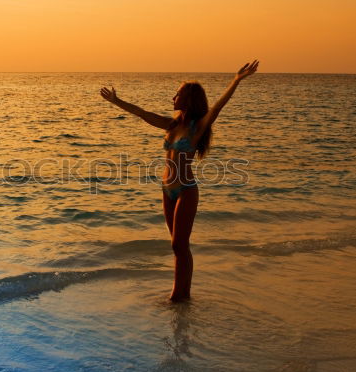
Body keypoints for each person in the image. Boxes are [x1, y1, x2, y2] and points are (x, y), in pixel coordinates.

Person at [99, 61, 260, 300]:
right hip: (166, 189)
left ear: (189, 100)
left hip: (185, 189)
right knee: (176, 246)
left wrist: (236, 80)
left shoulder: (197, 127)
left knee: (179, 245)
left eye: (178, 93)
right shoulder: (171, 124)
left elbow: (216, 108)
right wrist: (116, 101)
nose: (174, 97)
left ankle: (180, 294)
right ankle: (180, 293)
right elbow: (142, 113)